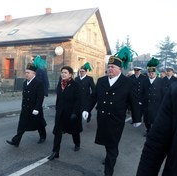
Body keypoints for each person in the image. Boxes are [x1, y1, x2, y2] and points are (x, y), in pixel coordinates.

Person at [82, 46, 141, 176]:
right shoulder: (102, 80)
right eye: (108, 66)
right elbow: (93, 97)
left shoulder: (128, 82)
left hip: (116, 119)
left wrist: (137, 118)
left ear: (120, 69)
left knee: (112, 144)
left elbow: (134, 102)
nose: (110, 69)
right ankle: (110, 156)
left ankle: (108, 171)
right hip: (102, 118)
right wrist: (87, 109)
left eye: (112, 67)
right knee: (108, 143)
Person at [136, 81, 177, 176]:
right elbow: (156, 144)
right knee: (148, 122)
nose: (151, 74)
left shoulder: (162, 83)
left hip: (156, 106)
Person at [6, 61, 47, 147]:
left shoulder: (38, 83)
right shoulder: (25, 83)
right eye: (26, 72)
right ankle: (16, 141)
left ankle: (43, 136)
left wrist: (37, 108)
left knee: (39, 123)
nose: (26, 74)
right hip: (25, 108)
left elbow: (40, 97)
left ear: (34, 73)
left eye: (28, 72)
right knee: (21, 124)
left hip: (34, 108)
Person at [48, 66, 82, 160]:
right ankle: (55, 152)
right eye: (62, 72)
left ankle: (77, 143)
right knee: (57, 132)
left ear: (70, 74)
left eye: (65, 72)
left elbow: (78, 100)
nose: (63, 74)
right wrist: (57, 107)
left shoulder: (76, 85)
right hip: (60, 113)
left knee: (74, 131)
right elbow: (59, 97)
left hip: (71, 114)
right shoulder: (60, 84)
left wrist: (75, 112)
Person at [141, 57, 163, 137]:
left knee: (155, 119)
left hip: (156, 104)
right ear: (148, 73)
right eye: (149, 73)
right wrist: (141, 101)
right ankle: (148, 130)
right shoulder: (145, 81)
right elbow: (142, 92)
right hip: (147, 104)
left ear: (155, 73)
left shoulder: (161, 81)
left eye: (152, 73)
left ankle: (155, 131)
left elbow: (163, 93)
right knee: (147, 119)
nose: (151, 74)